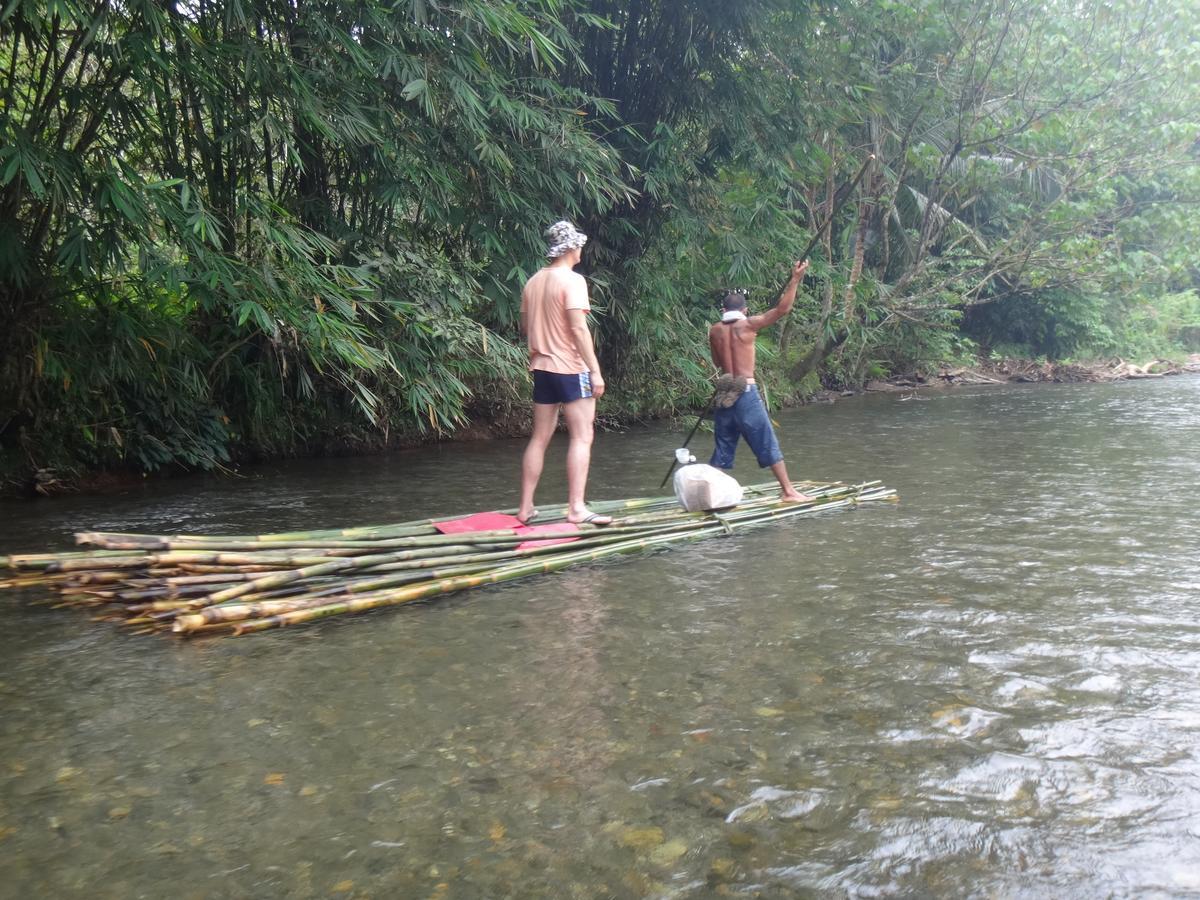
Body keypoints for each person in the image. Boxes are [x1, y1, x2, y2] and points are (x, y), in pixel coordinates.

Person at [516, 220, 613, 526]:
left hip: (542, 368)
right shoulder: (572, 281)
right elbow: (578, 329)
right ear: (571, 248)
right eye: (580, 245)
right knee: (583, 436)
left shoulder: (533, 281)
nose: (582, 249)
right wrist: (595, 371)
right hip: (571, 368)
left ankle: (525, 507)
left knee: (540, 437)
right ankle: (576, 508)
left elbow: (524, 326)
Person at [708, 259, 813, 502]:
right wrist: (795, 279)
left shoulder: (714, 330)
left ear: (724, 311)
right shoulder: (749, 324)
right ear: (744, 310)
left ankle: (709, 495)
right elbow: (782, 310)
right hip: (745, 390)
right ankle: (788, 491)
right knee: (765, 439)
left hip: (724, 390)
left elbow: (716, 362)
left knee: (723, 445)